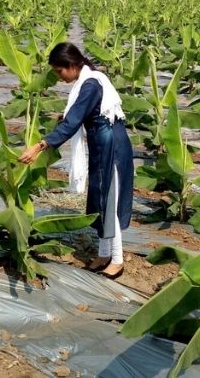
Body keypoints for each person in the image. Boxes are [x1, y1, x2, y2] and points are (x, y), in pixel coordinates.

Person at [19, 43, 134, 279]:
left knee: (109, 201)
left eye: (59, 71)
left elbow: (73, 123)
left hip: (111, 144)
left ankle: (118, 260)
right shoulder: (89, 80)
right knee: (99, 198)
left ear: (72, 66)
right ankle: (103, 254)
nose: (59, 77)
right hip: (101, 143)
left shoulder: (90, 84)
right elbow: (82, 114)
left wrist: (41, 146)